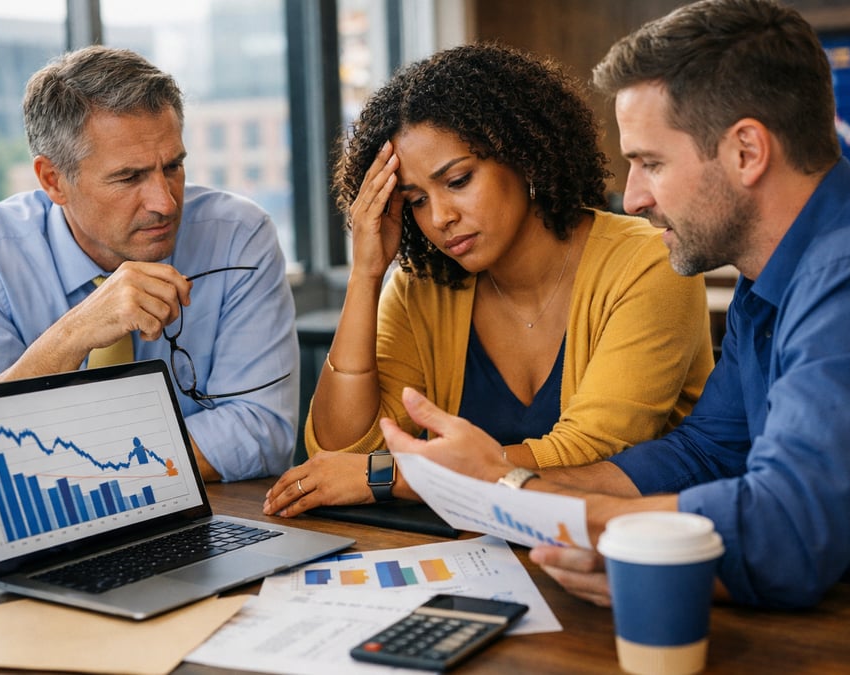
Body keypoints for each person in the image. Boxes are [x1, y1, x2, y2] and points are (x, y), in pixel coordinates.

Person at [379, 0, 850, 610]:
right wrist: (504, 485)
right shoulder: (772, 274)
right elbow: (703, 453)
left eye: (650, 162)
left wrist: (517, 494)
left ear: (747, 151)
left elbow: (785, 527)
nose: (635, 195)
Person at [264, 43, 714, 517]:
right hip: (482, 549)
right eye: (416, 200)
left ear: (522, 155)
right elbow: (340, 456)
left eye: (458, 180)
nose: (440, 217)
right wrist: (366, 274)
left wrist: (394, 476)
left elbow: (592, 452)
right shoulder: (423, 286)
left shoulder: (646, 261)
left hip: (624, 554)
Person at [0, 46, 299, 502]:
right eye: (128, 177)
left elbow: (263, 430)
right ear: (53, 181)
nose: (165, 202)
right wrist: (73, 334)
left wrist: (55, 463)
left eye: (173, 167)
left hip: (202, 518)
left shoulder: (238, 234)